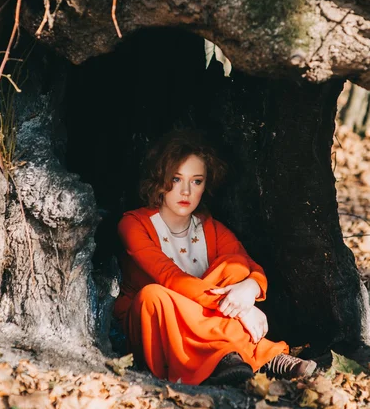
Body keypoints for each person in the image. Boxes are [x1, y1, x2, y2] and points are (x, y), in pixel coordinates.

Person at [114, 130, 316, 386]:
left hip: (206, 315)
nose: (186, 191)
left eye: (196, 181)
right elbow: (170, 278)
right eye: (177, 179)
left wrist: (248, 290)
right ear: (159, 179)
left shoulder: (211, 228)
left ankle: (229, 358)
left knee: (234, 268)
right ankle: (266, 357)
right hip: (156, 322)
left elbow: (251, 268)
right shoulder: (134, 224)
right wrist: (241, 311)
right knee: (154, 294)